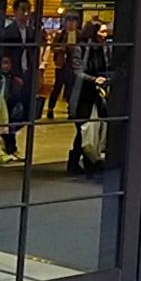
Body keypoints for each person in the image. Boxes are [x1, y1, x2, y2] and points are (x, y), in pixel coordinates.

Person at [0, 0, 38, 160]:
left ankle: (7, 140)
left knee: (27, 112)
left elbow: (33, 54)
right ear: (15, 11)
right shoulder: (8, 32)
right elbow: (5, 57)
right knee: (11, 111)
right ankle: (10, 145)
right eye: (22, 10)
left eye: (28, 10)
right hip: (13, 76)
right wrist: (12, 75)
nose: (25, 14)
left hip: (28, 75)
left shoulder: (32, 32)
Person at [67, 20, 111, 174]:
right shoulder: (81, 48)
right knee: (83, 129)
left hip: (97, 94)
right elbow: (77, 72)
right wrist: (94, 79)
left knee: (94, 128)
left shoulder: (104, 49)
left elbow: (108, 67)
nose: (105, 35)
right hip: (82, 95)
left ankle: (89, 160)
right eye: (102, 31)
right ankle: (77, 161)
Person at [43, 12, 80, 118]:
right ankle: (50, 108)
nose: (71, 24)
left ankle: (70, 109)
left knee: (71, 88)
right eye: (69, 21)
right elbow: (53, 48)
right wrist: (62, 48)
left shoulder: (79, 34)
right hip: (61, 64)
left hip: (74, 64)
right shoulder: (61, 34)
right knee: (57, 86)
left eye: (73, 21)